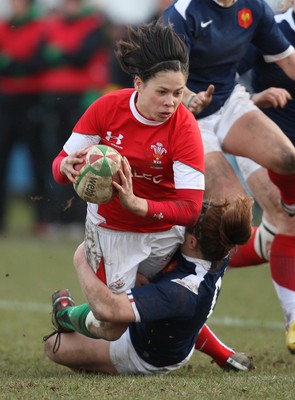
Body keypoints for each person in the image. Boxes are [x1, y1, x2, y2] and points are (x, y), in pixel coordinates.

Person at [163, 0, 295, 353]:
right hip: (192, 120)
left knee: (287, 158)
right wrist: (189, 98)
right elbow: (165, 77)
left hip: (230, 104)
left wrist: (248, 97)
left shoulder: (255, 9)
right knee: (233, 214)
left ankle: (280, 222)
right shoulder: (184, 13)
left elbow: (287, 60)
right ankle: (169, 275)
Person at [52, 19, 205, 294]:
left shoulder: (184, 126)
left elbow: (191, 209)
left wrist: (139, 205)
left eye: (178, 93)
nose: (170, 102)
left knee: (168, 312)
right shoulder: (107, 108)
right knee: (112, 323)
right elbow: (59, 169)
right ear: (138, 83)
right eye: (161, 92)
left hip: (164, 234)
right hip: (110, 231)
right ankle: (71, 310)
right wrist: (65, 165)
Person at [44, 196, 255, 375]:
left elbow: (109, 309)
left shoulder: (182, 291)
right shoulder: (220, 248)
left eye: (184, 227)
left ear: (192, 242)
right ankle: (222, 353)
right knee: (177, 314)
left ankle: (65, 315)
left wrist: (80, 258)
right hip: (176, 325)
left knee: (54, 345)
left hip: (145, 353)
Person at [231, 0, 295, 353]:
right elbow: (220, 78)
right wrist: (256, 99)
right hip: (260, 142)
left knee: (277, 236)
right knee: (288, 220)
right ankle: (293, 322)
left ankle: (197, 254)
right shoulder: (274, 29)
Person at [0, 0, 48, 234]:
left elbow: (38, 63)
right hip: (6, 103)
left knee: (37, 162)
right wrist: (20, 65)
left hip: (31, 100)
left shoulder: (39, 28)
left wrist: (13, 64)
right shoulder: (3, 27)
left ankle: (41, 220)